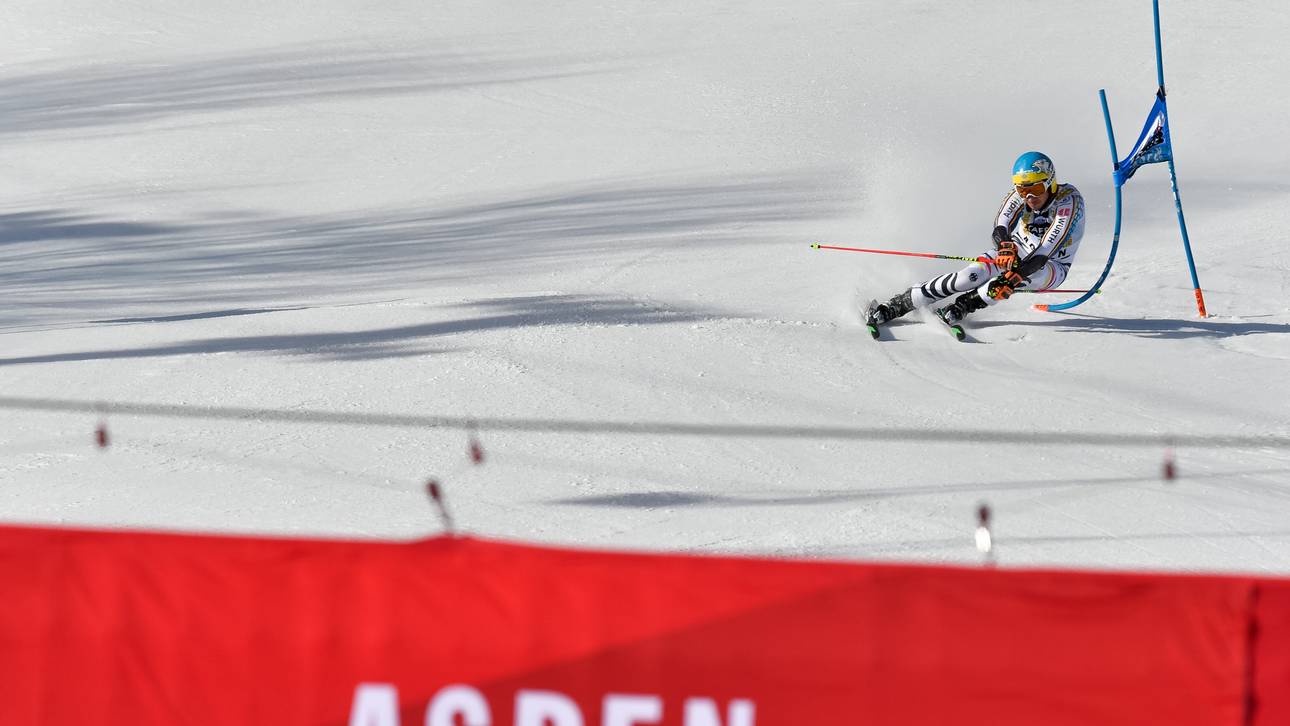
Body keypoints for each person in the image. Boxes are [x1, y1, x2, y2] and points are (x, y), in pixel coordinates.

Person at [866, 151, 1086, 329]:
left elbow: (1045, 250)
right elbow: (1001, 225)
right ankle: (900, 304)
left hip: (1051, 265)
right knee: (968, 277)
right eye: (1022, 190)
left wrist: (1013, 276)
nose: (1029, 197)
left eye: (1036, 189)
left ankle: (964, 305)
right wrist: (1004, 247)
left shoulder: (1068, 202)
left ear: (1051, 183)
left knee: (1006, 282)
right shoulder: (1019, 196)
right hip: (1019, 249)